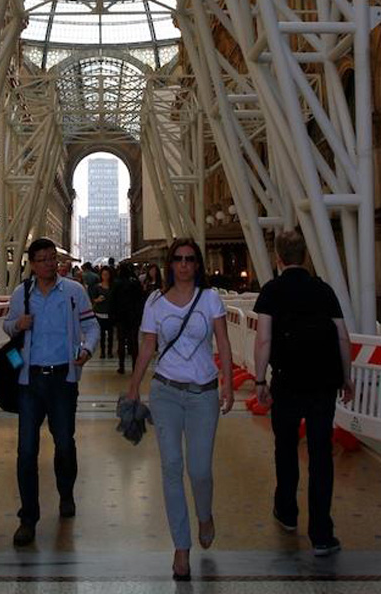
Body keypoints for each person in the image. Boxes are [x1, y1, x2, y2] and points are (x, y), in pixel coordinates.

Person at [126, 237, 233, 581]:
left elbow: (224, 343)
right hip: (166, 392)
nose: (184, 264)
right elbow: (147, 347)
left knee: (199, 469)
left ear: (197, 264)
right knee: (172, 468)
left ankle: (205, 514)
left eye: (190, 259)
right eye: (178, 259)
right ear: (170, 264)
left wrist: (228, 383)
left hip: (203, 394)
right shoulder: (155, 302)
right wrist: (133, 387)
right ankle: (181, 548)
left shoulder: (211, 299)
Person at [253, 228, 354, 557]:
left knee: (285, 447)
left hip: (288, 380)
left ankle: (287, 511)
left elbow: (264, 339)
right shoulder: (323, 290)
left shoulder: (271, 291)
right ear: (305, 257)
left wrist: (259, 380)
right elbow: (342, 337)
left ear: (278, 258)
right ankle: (322, 533)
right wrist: (346, 377)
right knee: (321, 454)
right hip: (323, 382)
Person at [3, 237, 100, 546]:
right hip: (29, 381)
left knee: (64, 443)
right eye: (41, 259)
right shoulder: (22, 294)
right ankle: (28, 517)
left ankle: (66, 493)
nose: (47, 264)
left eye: (51, 259)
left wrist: (86, 350)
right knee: (26, 450)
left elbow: (92, 326)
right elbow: (7, 327)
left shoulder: (73, 292)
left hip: (62, 379)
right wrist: (19, 323)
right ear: (31, 264)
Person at [109, 261, 144, 374]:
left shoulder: (117, 282)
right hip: (133, 317)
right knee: (134, 342)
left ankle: (121, 366)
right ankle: (135, 367)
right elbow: (141, 300)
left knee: (121, 341)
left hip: (121, 317)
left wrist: (112, 316)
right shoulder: (135, 282)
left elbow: (112, 300)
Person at [91, 264, 115, 358]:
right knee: (101, 335)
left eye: (107, 274)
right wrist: (98, 300)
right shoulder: (97, 287)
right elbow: (93, 299)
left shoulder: (113, 287)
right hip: (99, 313)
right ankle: (102, 352)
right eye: (104, 274)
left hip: (110, 313)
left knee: (110, 334)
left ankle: (109, 351)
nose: (105, 276)